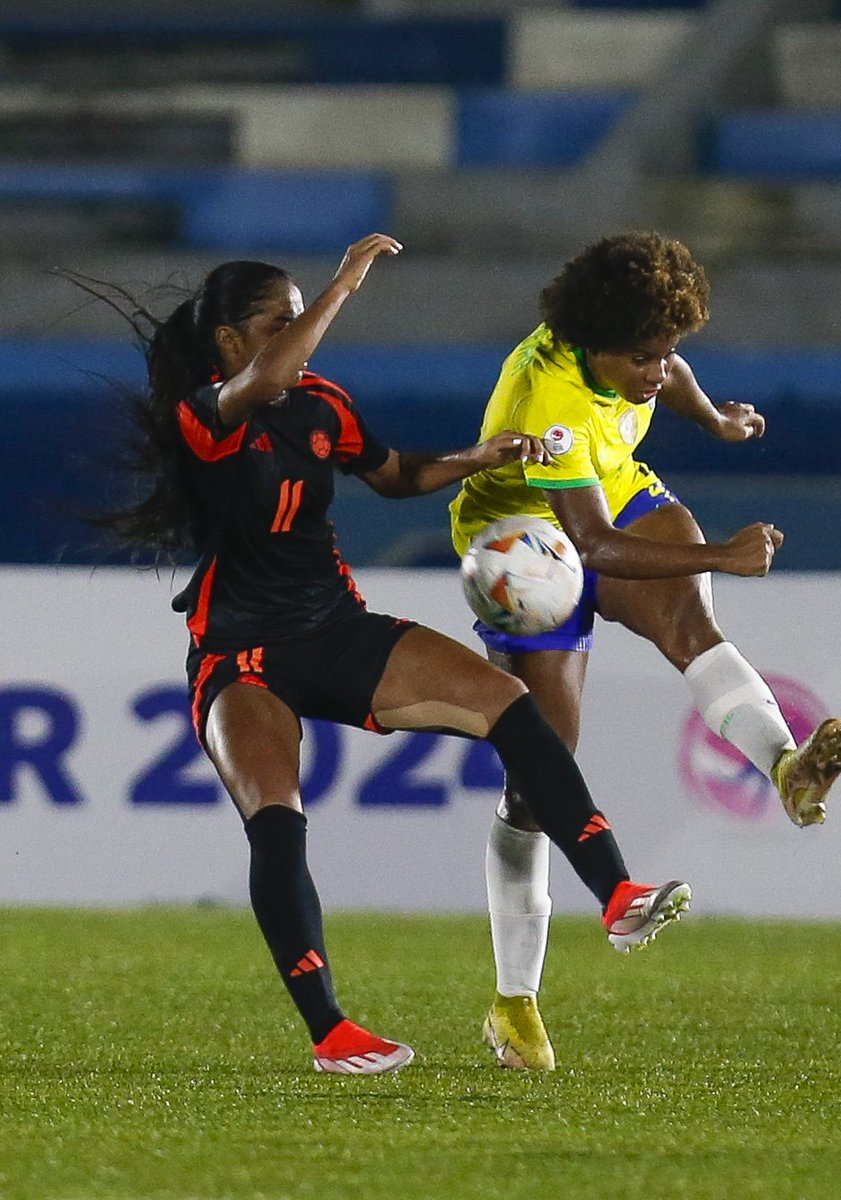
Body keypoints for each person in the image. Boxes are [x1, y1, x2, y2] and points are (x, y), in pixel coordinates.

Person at [83, 232, 696, 1077]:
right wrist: (342, 286)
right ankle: (331, 1031)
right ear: (230, 342)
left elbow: (396, 473)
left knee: (512, 709)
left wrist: (482, 456)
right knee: (278, 823)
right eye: (278, 322)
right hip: (241, 658)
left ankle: (619, 895)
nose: (297, 335)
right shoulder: (208, 411)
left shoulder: (321, 405)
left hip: (337, 631)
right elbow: (264, 380)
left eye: (301, 319)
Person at [449, 231, 841, 1072]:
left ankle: (784, 767)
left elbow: (668, 375)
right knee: (541, 775)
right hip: (522, 543)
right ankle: (513, 1002)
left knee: (690, 628)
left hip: (611, 487)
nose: (655, 369)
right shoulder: (549, 401)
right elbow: (590, 547)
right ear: (594, 342)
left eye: (666, 350)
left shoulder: (635, 352)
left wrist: (713, 418)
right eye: (640, 356)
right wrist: (720, 556)